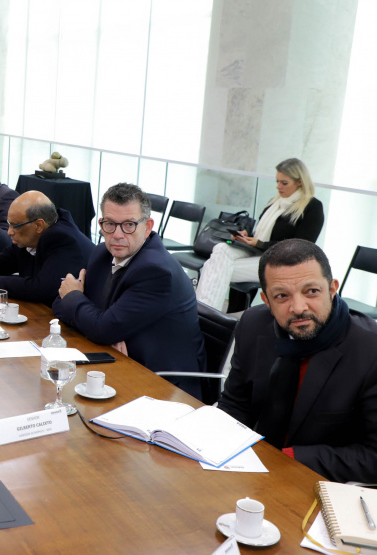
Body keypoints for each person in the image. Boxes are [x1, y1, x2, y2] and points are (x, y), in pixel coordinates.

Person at [217, 239, 377, 483]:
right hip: (247, 470)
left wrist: (290, 458)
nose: (299, 308)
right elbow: (236, 404)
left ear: (333, 289)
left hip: (320, 482)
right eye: (282, 296)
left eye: (311, 291)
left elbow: (373, 456)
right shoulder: (252, 324)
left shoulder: (370, 349)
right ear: (266, 300)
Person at [52, 183, 205, 397]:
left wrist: (80, 304)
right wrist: (95, 323)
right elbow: (60, 305)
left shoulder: (157, 271)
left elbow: (97, 322)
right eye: (110, 224)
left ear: (148, 226)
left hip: (163, 385)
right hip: (114, 365)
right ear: (101, 224)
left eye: (129, 225)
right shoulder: (101, 254)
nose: (117, 234)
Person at [195, 158, 324, 311]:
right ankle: (206, 314)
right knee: (221, 249)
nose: (278, 187)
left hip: (281, 262)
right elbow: (261, 234)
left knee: (213, 267)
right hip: (258, 252)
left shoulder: (312, 207)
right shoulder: (275, 203)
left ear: (300, 182)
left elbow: (300, 248)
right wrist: (246, 236)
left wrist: (258, 244)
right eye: (277, 181)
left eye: (284, 183)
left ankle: (202, 313)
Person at [0, 191, 94, 305]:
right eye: (9, 224)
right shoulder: (33, 233)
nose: (9, 231)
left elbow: (41, 289)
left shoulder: (62, 239)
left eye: (15, 226)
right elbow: (7, 259)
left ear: (39, 225)